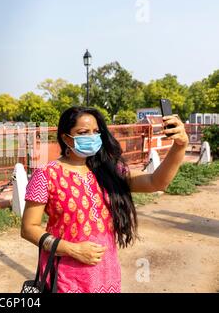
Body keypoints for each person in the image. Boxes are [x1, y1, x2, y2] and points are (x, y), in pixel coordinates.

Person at [21, 106, 189, 293]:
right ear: (65, 137)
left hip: (106, 275)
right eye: (83, 132)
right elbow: (28, 229)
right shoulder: (46, 175)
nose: (92, 137)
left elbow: (155, 182)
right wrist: (72, 249)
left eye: (96, 132)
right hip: (64, 279)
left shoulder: (110, 171)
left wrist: (180, 146)